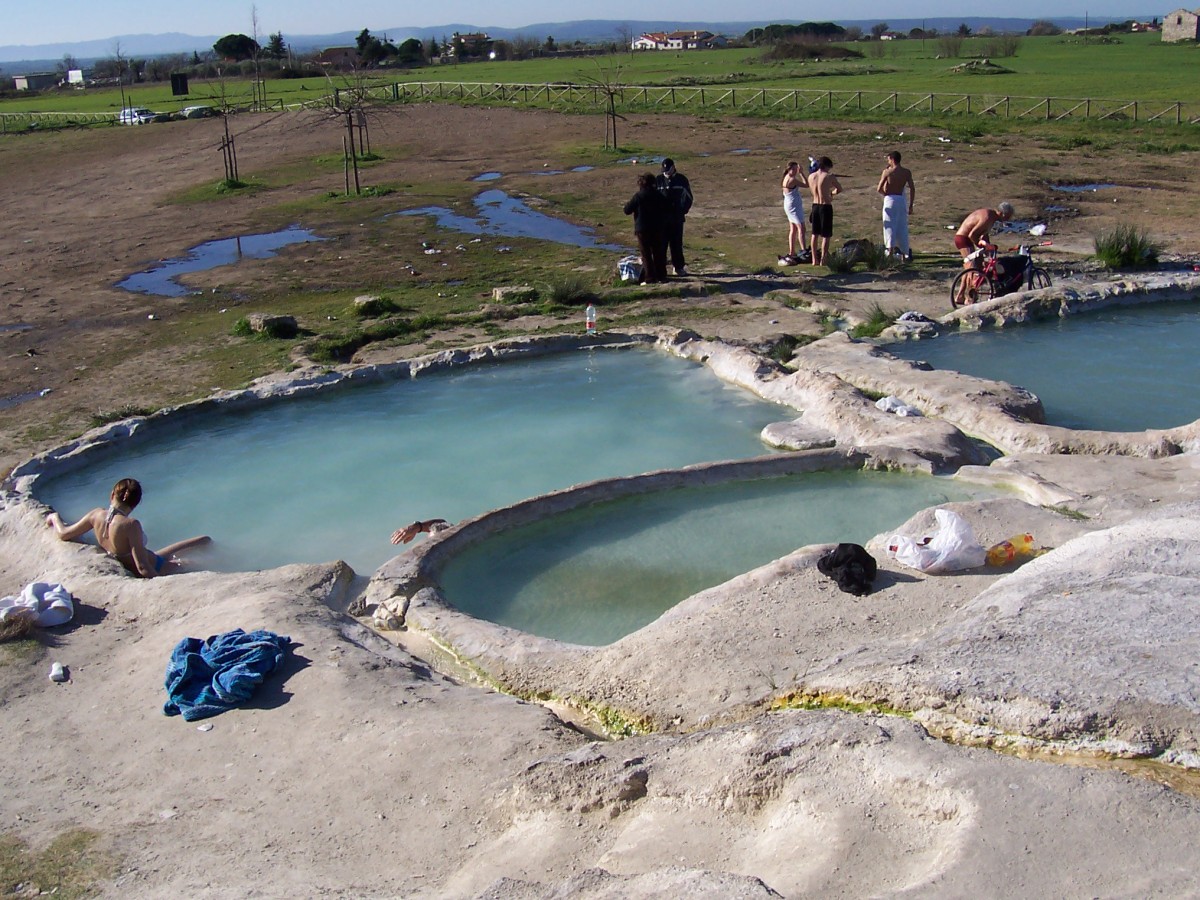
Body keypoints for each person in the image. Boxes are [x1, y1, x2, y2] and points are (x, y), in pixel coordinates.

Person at [45, 478, 210, 578]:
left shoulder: (95, 515)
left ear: (112, 495)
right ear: (136, 502)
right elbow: (143, 567)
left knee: (202, 540)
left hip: (147, 557)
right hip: (156, 565)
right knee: (201, 556)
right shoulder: (130, 524)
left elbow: (64, 534)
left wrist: (54, 517)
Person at [623, 171, 669, 284]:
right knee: (658, 252)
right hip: (657, 228)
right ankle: (661, 275)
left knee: (646, 254)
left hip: (642, 229)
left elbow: (627, 210)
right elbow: (667, 208)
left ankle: (650, 278)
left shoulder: (639, 196)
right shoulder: (659, 195)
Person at [655, 158, 693, 276]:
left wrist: (682, 210)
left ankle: (678, 267)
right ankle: (660, 268)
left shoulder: (681, 180)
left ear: (673, 168)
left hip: (677, 218)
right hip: (662, 219)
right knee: (661, 244)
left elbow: (689, 198)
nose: (665, 172)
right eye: (664, 170)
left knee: (676, 244)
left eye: (667, 170)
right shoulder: (658, 180)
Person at [876, 151, 915, 260]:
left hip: (890, 198)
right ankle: (904, 251)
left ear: (892, 159)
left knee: (889, 226)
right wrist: (911, 204)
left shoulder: (888, 172)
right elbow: (912, 188)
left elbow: (879, 188)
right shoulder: (906, 172)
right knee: (901, 225)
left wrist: (886, 194)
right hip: (901, 200)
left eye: (889, 159)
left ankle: (890, 251)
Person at [808, 157, 843, 267]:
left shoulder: (811, 176)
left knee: (815, 234)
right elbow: (839, 188)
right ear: (827, 166)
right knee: (826, 235)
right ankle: (823, 258)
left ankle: (814, 259)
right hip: (825, 206)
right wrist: (832, 193)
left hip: (815, 205)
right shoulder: (828, 176)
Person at [781, 161, 808, 262]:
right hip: (793, 206)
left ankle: (792, 251)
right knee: (801, 227)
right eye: (793, 169)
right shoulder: (792, 180)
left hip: (790, 204)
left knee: (793, 228)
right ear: (789, 169)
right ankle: (803, 250)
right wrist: (801, 173)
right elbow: (806, 184)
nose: (795, 171)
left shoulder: (786, 177)